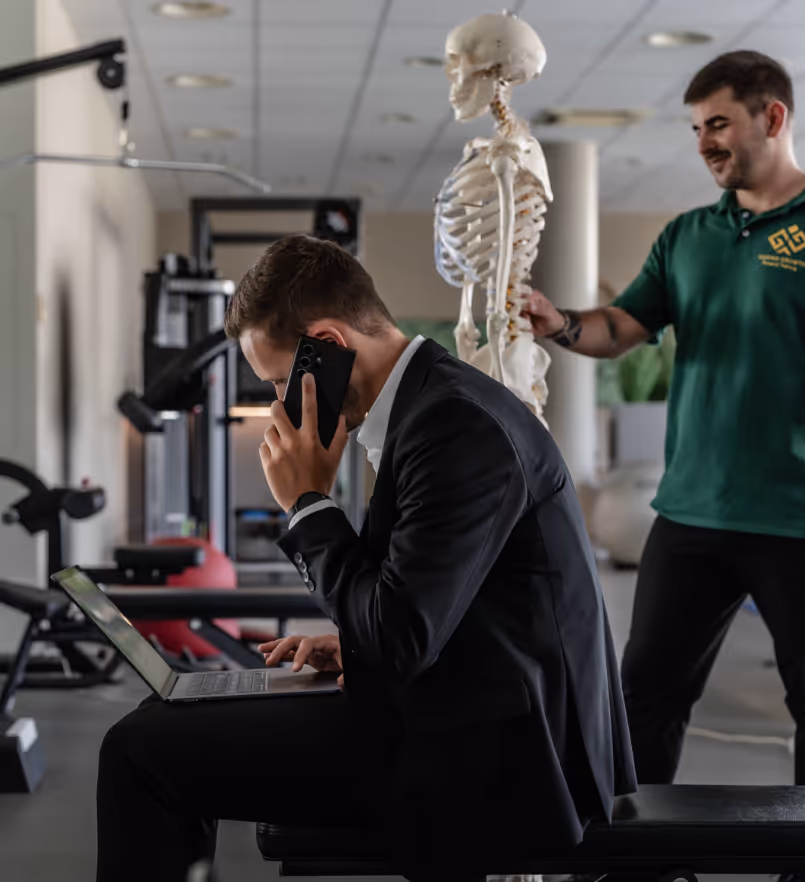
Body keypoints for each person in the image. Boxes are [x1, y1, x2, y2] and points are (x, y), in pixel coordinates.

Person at [95, 234, 635, 882]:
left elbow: (400, 640)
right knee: (168, 716)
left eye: (276, 379)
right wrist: (351, 646)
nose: (277, 402)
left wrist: (307, 505)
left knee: (139, 750)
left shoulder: (453, 426)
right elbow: (426, 608)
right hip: (467, 707)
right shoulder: (433, 405)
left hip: (500, 757)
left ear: (325, 345)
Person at [525, 50, 805, 799]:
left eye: (717, 123)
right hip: (689, 515)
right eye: (694, 128)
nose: (703, 142)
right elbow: (621, 326)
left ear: (771, 118)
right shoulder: (687, 236)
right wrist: (558, 324)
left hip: (794, 516)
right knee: (643, 696)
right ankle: (639, 862)